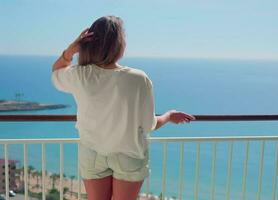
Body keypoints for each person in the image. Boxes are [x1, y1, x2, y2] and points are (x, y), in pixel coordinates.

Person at [51, 15, 195, 200]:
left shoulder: (81, 76)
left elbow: (56, 72)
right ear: (119, 45)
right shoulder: (138, 78)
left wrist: (71, 50)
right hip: (129, 153)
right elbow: (149, 125)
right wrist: (168, 116)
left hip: (92, 153)